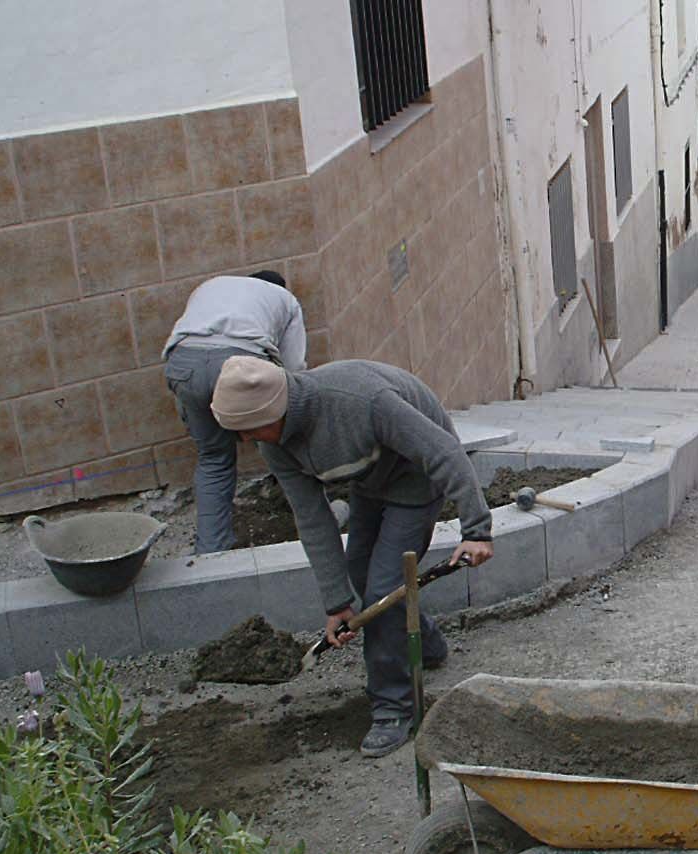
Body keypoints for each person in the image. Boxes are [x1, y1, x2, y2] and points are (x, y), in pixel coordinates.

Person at [209, 355, 495, 757]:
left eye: (249, 429)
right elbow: (311, 518)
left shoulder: (360, 400)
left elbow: (443, 451)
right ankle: (424, 644)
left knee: (382, 590)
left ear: (273, 410)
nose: (245, 441)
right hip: (370, 481)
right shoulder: (274, 442)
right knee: (362, 582)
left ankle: (394, 707)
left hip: (415, 476)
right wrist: (337, 601)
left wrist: (476, 529)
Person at [162, 271, 306, 554]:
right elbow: (295, 374)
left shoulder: (211, 285)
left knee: (214, 458)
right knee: (284, 446)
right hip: (239, 362)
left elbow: (189, 338)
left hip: (183, 365)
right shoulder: (285, 300)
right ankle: (314, 522)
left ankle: (212, 553)